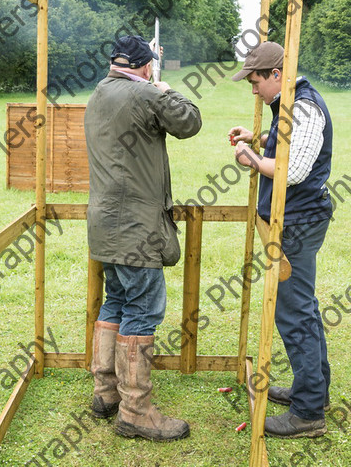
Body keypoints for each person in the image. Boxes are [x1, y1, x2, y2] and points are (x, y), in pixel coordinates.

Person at [84, 34, 202, 442]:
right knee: (145, 309)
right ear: (144, 66)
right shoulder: (146, 94)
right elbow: (189, 122)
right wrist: (164, 86)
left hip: (106, 223)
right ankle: (135, 411)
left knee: (117, 300)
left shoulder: (100, 92)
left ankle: (106, 394)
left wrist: (149, 80)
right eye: (150, 64)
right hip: (133, 226)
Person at [228, 41, 333, 438]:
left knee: (294, 313)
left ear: (277, 75)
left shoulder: (303, 107)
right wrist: (258, 140)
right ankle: (314, 392)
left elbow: (293, 171)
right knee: (303, 306)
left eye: (255, 80)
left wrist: (250, 159)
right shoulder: (288, 105)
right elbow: (286, 149)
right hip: (298, 219)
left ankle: (308, 413)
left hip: (298, 222)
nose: (252, 88)